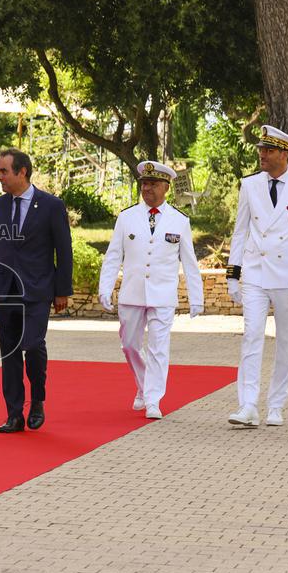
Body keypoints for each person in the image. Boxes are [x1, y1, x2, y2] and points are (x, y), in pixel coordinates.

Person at [226, 125, 288, 428]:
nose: (262, 155)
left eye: (268, 151)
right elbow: (240, 230)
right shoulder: (250, 185)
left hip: (287, 276)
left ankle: (276, 404)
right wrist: (233, 273)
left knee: (284, 342)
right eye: (260, 149)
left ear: (285, 153)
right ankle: (248, 405)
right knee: (252, 337)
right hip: (256, 272)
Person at [98, 161, 203, 420]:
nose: (146, 188)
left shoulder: (179, 220)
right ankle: (144, 385)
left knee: (158, 347)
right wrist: (105, 287)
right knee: (130, 345)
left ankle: (153, 399)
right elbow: (113, 256)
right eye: (144, 183)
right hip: (132, 293)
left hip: (163, 294)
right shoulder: (127, 217)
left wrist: (196, 298)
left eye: (153, 184)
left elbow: (189, 261)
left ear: (166, 187)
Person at [0, 148, 73, 433]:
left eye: (3, 171)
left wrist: (62, 290)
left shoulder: (51, 205)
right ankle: (14, 414)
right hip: (5, 291)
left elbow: (64, 250)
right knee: (9, 353)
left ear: (22, 172)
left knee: (32, 345)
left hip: (37, 290)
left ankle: (37, 400)